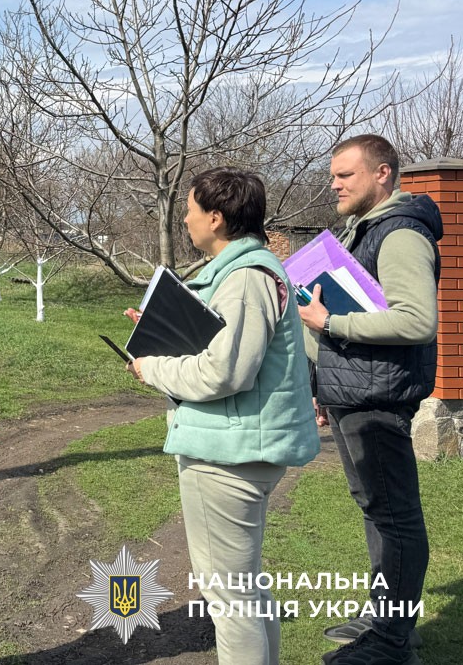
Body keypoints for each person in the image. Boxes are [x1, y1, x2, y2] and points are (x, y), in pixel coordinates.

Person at [127, 168, 320, 665]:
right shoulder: (250, 274)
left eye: (189, 211)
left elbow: (225, 372)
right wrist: (167, 328)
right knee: (245, 590)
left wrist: (153, 367)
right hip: (237, 445)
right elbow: (226, 346)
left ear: (216, 218)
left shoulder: (245, 279)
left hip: (228, 456)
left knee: (229, 599)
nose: (185, 221)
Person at [298, 134, 440, 665]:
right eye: (333, 175)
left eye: (345, 175)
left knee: (394, 516)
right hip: (355, 391)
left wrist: (329, 320)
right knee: (378, 511)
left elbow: (416, 319)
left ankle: (390, 643)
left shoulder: (400, 233)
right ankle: (389, 617)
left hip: (378, 397)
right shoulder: (363, 232)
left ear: (382, 174)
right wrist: (320, 385)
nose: (334, 183)